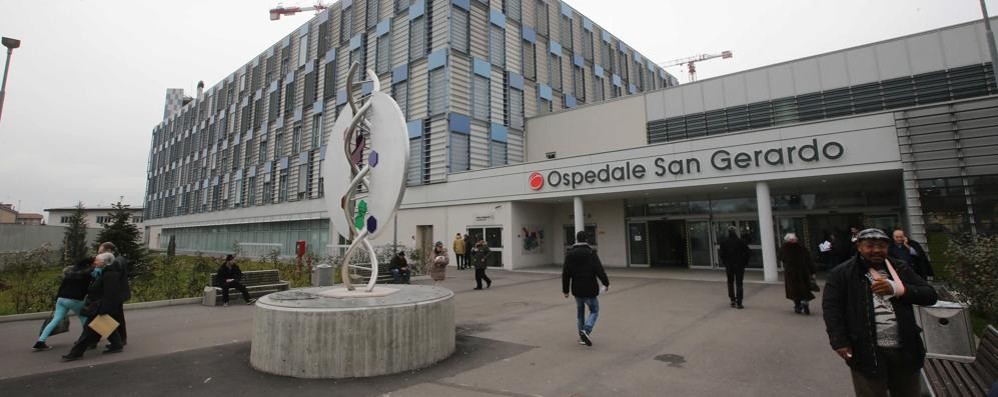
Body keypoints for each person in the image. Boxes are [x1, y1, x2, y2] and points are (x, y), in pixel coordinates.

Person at [822, 228, 938, 396]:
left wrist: (899, 289)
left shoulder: (900, 268)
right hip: (866, 351)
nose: (876, 250)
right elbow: (832, 308)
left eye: (881, 246)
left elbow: (930, 295)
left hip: (905, 350)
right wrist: (838, 340)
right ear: (859, 247)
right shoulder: (843, 273)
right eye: (870, 245)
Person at [62, 253, 126, 361]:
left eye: (97, 260)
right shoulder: (103, 272)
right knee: (105, 325)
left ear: (104, 262)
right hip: (98, 305)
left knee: (88, 330)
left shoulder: (110, 275)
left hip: (99, 306)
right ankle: (117, 345)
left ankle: (76, 353)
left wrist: (104, 310)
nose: (94, 262)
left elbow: (110, 294)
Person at [33, 257, 94, 351]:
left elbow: (62, 286)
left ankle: (40, 341)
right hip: (75, 300)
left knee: (55, 320)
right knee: (84, 318)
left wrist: (56, 298)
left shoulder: (69, 273)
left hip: (61, 298)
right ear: (88, 265)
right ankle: (87, 340)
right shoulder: (87, 275)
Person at [562, 231, 609, 347]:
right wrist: (605, 283)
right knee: (594, 310)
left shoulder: (570, 254)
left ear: (577, 240)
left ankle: (582, 337)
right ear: (586, 240)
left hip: (577, 289)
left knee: (580, 313)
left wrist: (565, 290)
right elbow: (599, 270)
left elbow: (565, 273)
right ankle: (586, 330)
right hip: (590, 288)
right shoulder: (591, 253)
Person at [96, 242, 129, 346]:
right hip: (116, 294)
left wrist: (103, 264)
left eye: (101, 253)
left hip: (116, 294)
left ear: (109, 251)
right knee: (114, 317)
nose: (99, 255)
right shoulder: (117, 260)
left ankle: (118, 341)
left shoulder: (118, 261)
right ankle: (119, 340)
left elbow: (116, 267)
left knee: (111, 317)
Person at [780, 233, 816, 315]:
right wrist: (812, 271)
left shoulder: (784, 248)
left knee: (794, 290)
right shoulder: (802, 248)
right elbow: (809, 260)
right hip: (803, 272)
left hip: (791, 273)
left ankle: (798, 306)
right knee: (804, 288)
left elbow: (782, 257)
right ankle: (805, 303)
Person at [719, 226, 750, 309]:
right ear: (735, 232)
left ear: (728, 232)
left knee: (730, 282)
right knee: (739, 283)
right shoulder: (741, 241)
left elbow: (722, 254)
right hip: (739, 265)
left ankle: (732, 300)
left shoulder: (724, 242)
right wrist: (744, 263)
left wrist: (725, 263)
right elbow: (747, 253)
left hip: (729, 266)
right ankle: (739, 302)